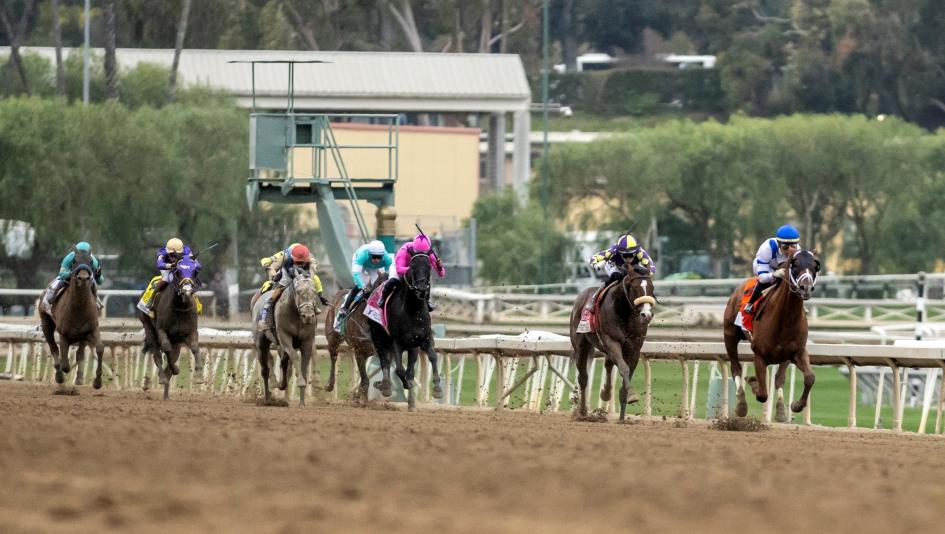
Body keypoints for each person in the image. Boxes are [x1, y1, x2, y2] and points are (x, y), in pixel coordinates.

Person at [258, 243, 328, 333]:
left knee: (309, 286)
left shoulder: (311, 259)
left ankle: (313, 306)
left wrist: (320, 295)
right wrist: (270, 270)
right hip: (287, 273)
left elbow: (315, 277)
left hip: (303, 273)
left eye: (302, 262)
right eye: (298, 262)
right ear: (292, 257)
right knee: (276, 293)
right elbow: (264, 260)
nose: (300, 264)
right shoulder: (284, 255)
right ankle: (263, 319)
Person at [741, 224, 801, 316]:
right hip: (765, 266)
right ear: (779, 243)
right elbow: (762, 278)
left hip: (782, 267)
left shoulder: (798, 250)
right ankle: (750, 303)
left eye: (793, 246)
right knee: (770, 280)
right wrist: (773, 275)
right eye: (785, 247)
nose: (789, 250)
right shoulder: (768, 247)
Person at [333, 240, 392, 331]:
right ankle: (345, 307)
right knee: (359, 286)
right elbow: (356, 274)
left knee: (377, 286)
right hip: (361, 263)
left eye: (379, 257)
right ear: (369, 254)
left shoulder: (387, 259)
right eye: (374, 257)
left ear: (383, 256)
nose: (376, 260)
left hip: (373, 268)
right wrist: (362, 286)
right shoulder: (362, 255)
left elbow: (387, 276)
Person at [137, 238, 201, 317]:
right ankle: (149, 302)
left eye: (177, 254)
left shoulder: (187, 250)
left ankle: (196, 304)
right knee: (166, 279)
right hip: (167, 269)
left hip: (181, 269)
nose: (174, 257)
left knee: (189, 283)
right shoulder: (162, 252)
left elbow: (199, 265)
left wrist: (193, 263)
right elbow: (159, 265)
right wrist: (171, 265)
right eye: (171, 255)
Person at [381, 234, 446, 311]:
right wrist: (414, 269)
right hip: (400, 268)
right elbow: (399, 270)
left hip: (416, 271)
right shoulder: (405, 249)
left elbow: (441, 274)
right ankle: (383, 299)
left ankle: (427, 301)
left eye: (424, 253)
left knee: (424, 279)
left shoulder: (430, 252)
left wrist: (439, 267)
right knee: (393, 280)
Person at [41, 241, 104, 314]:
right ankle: (47, 302)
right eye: (80, 253)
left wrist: (98, 276)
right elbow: (61, 275)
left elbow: (100, 282)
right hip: (70, 278)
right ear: (75, 253)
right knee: (57, 283)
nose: (82, 256)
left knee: (93, 282)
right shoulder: (69, 258)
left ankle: (96, 298)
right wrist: (71, 273)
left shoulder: (94, 261)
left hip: (87, 280)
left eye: (84, 254)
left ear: (89, 254)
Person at [588, 233, 655, 289]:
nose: (628, 258)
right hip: (615, 266)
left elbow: (652, 268)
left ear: (635, 252)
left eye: (631, 255)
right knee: (616, 276)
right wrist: (595, 265)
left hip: (634, 266)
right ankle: (597, 296)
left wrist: (645, 272)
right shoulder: (613, 251)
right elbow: (592, 259)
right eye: (625, 255)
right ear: (620, 252)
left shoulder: (640, 252)